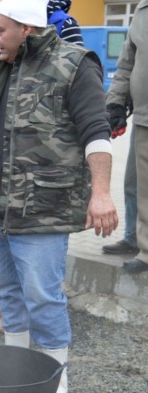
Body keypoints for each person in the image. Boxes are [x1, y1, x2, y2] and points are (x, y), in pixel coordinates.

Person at [0, 0, 117, 393]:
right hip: (0, 208)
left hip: (44, 207)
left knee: (42, 297)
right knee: (9, 294)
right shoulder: (4, 65)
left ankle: (56, 378)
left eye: (0, 30)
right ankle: (16, 371)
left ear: (26, 27)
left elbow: (97, 131)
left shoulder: (76, 64)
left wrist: (102, 193)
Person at [106, 2, 148, 273]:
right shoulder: (142, 10)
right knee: (137, 185)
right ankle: (141, 245)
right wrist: (116, 103)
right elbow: (126, 63)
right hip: (145, 116)